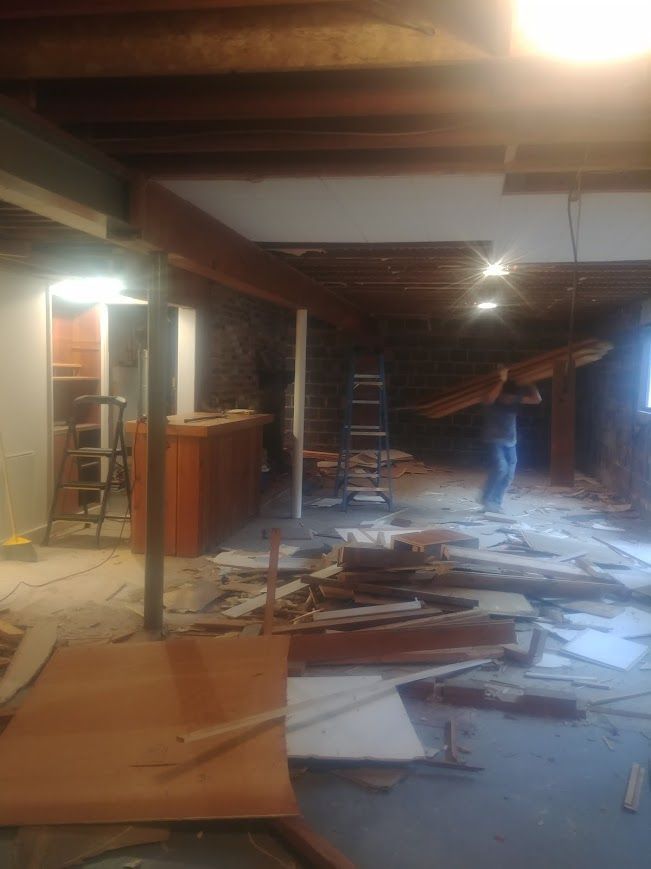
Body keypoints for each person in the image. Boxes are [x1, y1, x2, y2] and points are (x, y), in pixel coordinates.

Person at [480, 365, 541, 512]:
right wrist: (501, 380)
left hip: (510, 441)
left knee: (509, 474)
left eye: (511, 397)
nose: (509, 399)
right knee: (501, 468)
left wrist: (530, 383)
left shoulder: (514, 400)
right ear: (501, 394)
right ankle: (486, 499)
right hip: (494, 440)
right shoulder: (493, 401)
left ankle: (496, 502)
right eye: (506, 396)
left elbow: (537, 399)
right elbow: (489, 398)